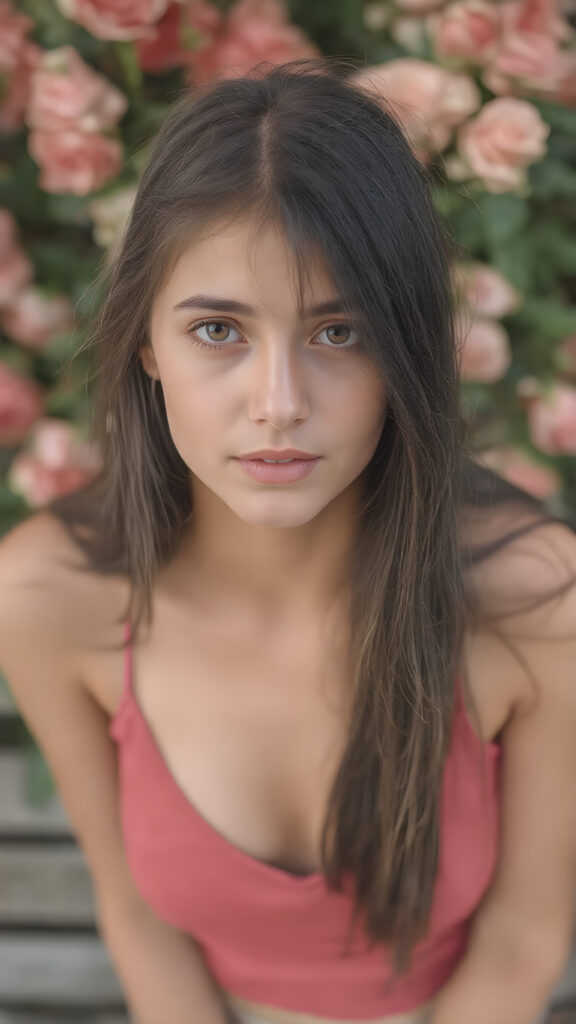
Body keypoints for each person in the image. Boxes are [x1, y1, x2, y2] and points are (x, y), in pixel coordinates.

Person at [0, 57, 575, 1024]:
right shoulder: (49, 596)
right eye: (219, 330)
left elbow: (522, 939)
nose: (279, 406)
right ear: (146, 342)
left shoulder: (534, 598)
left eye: (340, 333)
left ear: (407, 349)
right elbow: (140, 920)